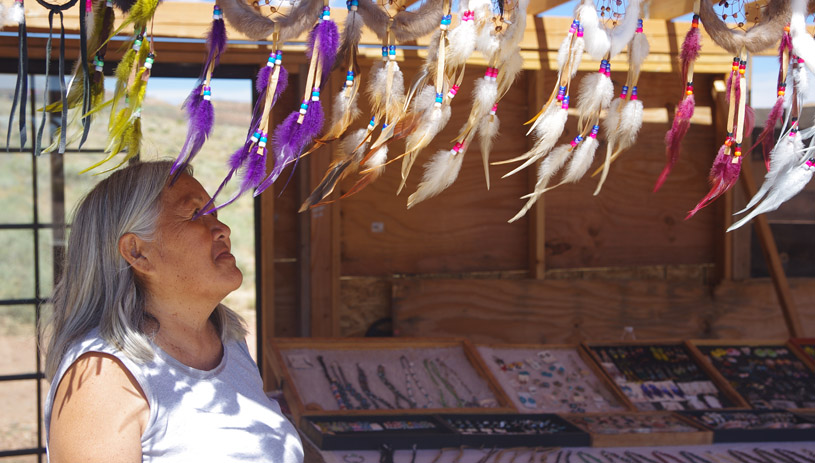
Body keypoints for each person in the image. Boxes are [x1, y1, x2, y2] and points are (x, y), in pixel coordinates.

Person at [40, 160, 303, 463]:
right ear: (137, 252)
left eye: (214, 214)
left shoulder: (229, 342)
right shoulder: (102, 377)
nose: (223, 229)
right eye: (195, 215)